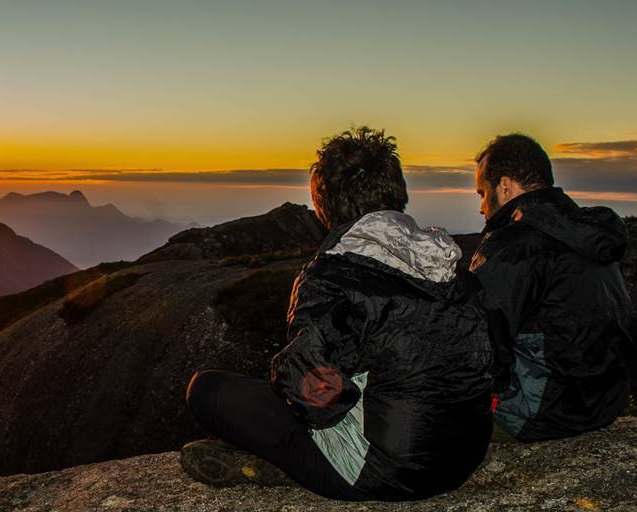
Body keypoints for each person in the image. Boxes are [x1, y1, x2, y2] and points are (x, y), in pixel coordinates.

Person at [180, 126, 498, 500]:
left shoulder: (332, 274)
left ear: (322, 204)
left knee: (206, 389)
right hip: (463, 457)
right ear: (398, 194)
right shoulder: (451, 267)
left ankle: (290, 465)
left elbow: (315, 394)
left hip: (386, 470)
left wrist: (285, 381)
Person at [470, 133, 632, 442]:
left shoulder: (512, 246)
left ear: (504, 186)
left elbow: (481, 346)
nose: (480, 206)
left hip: (538, 415)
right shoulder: (591, 234)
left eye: (482, 192)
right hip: (604, 404)